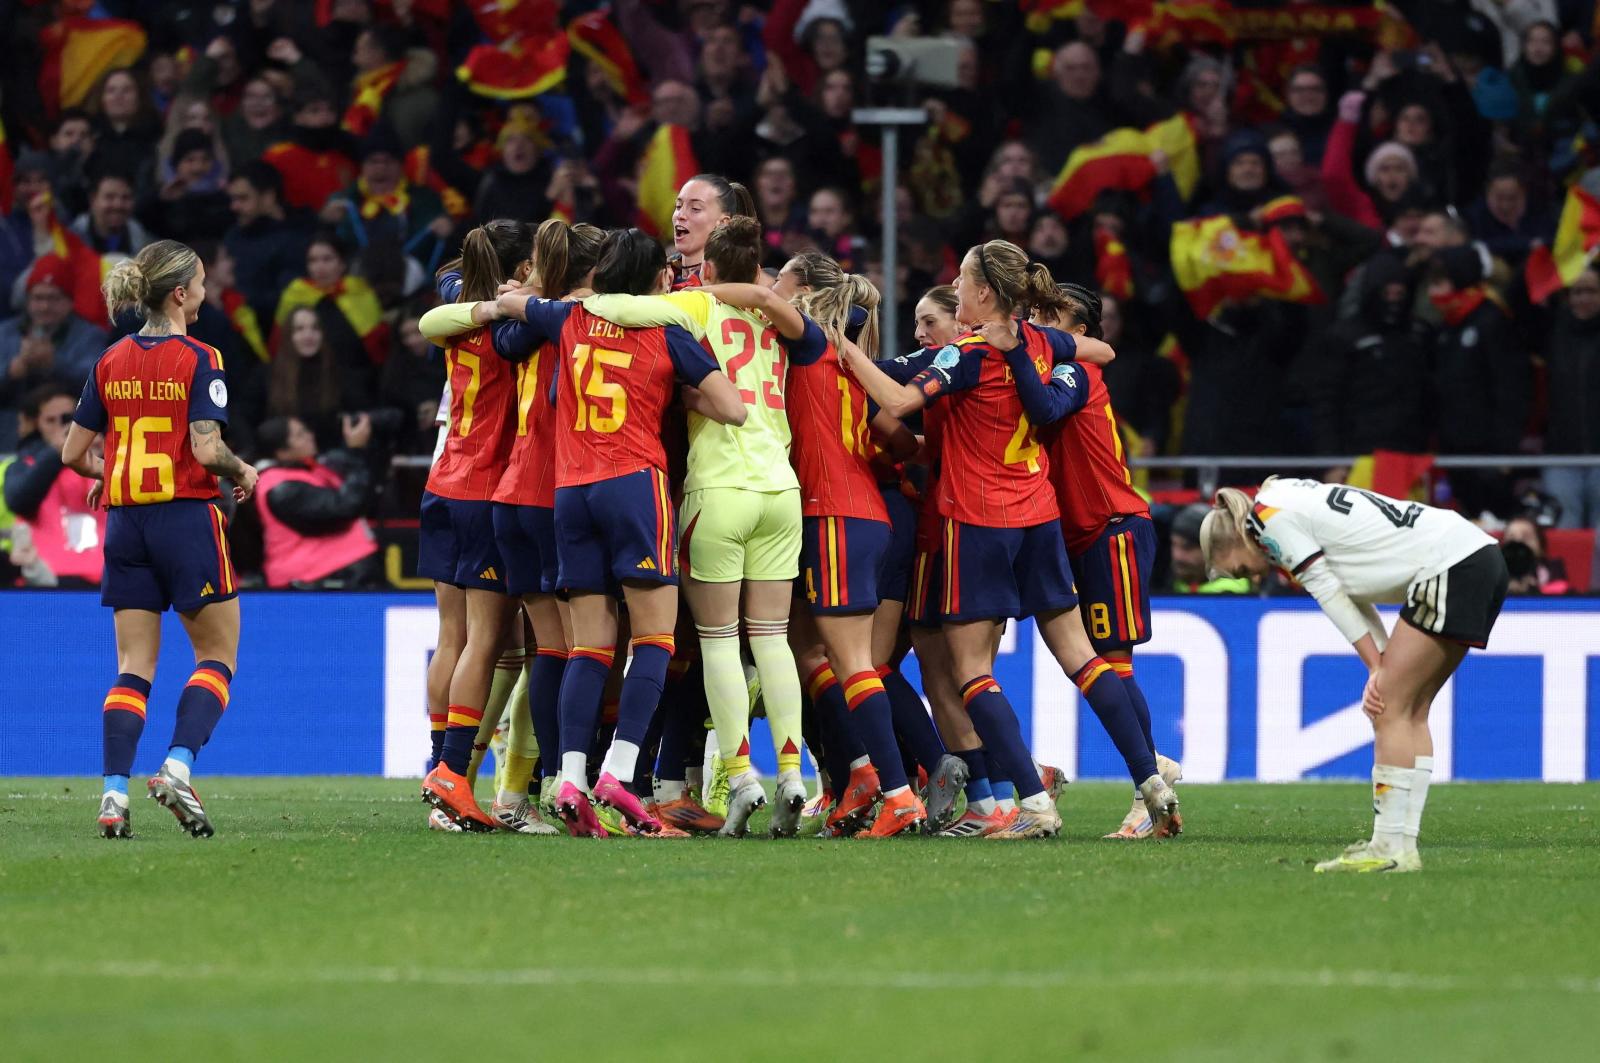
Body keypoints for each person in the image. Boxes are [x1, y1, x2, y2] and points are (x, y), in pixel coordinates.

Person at [842, 240, 1177, 840]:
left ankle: (1033, 802)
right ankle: (1150, 780)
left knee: (970, 671)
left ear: (982, 293)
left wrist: (838, 345)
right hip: (1039, 516)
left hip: (977, 521)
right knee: (1083, 656)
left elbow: (895, 399)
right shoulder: (1044, 341)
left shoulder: (968, 353)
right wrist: (1024, 341)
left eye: (961, 279)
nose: (955, 286)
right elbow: (1098, 349)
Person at [494, 228, 746, 837]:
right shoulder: (669, 331)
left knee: (588, 647)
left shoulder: (567, 318)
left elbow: (512, 305)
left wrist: (523, 296)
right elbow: (733, 408)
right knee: (654, 640)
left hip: (571, 492)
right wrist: (677, 394)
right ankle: (620, 771)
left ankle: (569, 779)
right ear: (660, 278)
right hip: (634, 486)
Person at [581, 217, 812, 837]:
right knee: (772, 640)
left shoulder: (693, 305)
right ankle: (794, 775)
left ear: (706, 268)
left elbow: (621, 309)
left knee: (716, 642)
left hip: (719, 489)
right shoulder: (777, 321)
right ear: (757, 269)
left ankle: (741, 778)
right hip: (780, 488)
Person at [1201, 478, 1508, 873]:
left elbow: (1327, 590)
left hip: (1450, 564)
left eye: (1241, 568)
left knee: (1389, 709)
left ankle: (1389, 847)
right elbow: (1352, 595)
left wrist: (1377, 666)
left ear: (1235, 540)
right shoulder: (1284, 502)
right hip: (1474, 556)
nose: (1249, 576)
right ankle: (1401, 847)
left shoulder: (1266, 522)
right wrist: (1380, 660)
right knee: (1410, 711)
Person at [60, 239, 259, 840]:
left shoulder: (110, 359)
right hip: (186, 520)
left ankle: (113, 795)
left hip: (127, 525)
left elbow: (73, 454)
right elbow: (206, 448)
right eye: (200, 283)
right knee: (217, 657)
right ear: (179, 294)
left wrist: (112, 472)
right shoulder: (201, 356)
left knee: (133, 668)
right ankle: (177, 767)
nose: (205, 292)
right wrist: (243, 470)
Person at [1008, 284, 1184, 839]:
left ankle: (1147, 785)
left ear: (1079, 333)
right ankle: (1152, 769)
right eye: (1035, 314)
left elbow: (1043, 407)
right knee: (1101, 662)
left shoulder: (1076, 371)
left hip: (1114, 528)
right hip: (1080, 536)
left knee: (1113, 663)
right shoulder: (1057, 369)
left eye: (1050, 316)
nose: (1038, 322)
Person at [412, 221, 531, 833]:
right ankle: (453, 774)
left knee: (452, 637)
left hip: (443, 480)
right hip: (489, 488)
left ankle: (440, 769)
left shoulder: (458, 312)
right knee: (486, 640)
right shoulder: (514, 329)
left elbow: (449, 286)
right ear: (520, 267)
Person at [253, 415, 380, 589]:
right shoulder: (282, 487)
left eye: (306, 430)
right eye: (300, 435)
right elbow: (344, 509)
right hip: (313, 581)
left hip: (335, 574)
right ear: (282, 452)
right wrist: (355, 452)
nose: (310, 436)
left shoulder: (309, 470)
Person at [0, 257, 111, 451]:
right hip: (11, 427)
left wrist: (54, 364)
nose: (45, 306)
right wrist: (12, 370)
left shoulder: (90, 335)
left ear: (69, 301)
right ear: (27, 301)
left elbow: (97, 382)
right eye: (38, 298)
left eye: (53, 298)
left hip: (67, 425)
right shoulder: (5, 333)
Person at [1541, 265, 1600, 530]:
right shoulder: (1553, 331)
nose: (1583, 298)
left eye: (1591, 291)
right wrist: (1545, 256)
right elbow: (1521, 298)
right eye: (1576, 292)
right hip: (1562, 457)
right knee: (1564, 535)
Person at [668, 174, 756, 287]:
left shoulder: (736, 285)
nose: (680, 215)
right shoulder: (658, 273)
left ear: (723, 223)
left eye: (695, 208)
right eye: (678, 206)